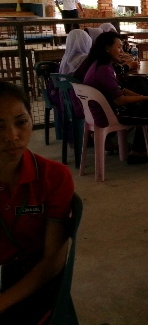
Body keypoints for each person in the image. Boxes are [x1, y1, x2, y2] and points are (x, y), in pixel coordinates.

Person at [0, 81, 74, 324]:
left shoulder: (53, 177)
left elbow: (54, 259)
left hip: (32, 282)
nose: (12, 136)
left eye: (21, 122)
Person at [83, 32, 148, 165]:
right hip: (109, 116)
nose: (122, 51)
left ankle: (139, 151)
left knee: (146, 106)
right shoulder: (104, 70)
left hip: (101, 113)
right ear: (107, 48)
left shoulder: (100, 64)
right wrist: (146, 98)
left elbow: (121, 90)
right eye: (119, 47)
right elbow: (119, 100)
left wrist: (146, 98)